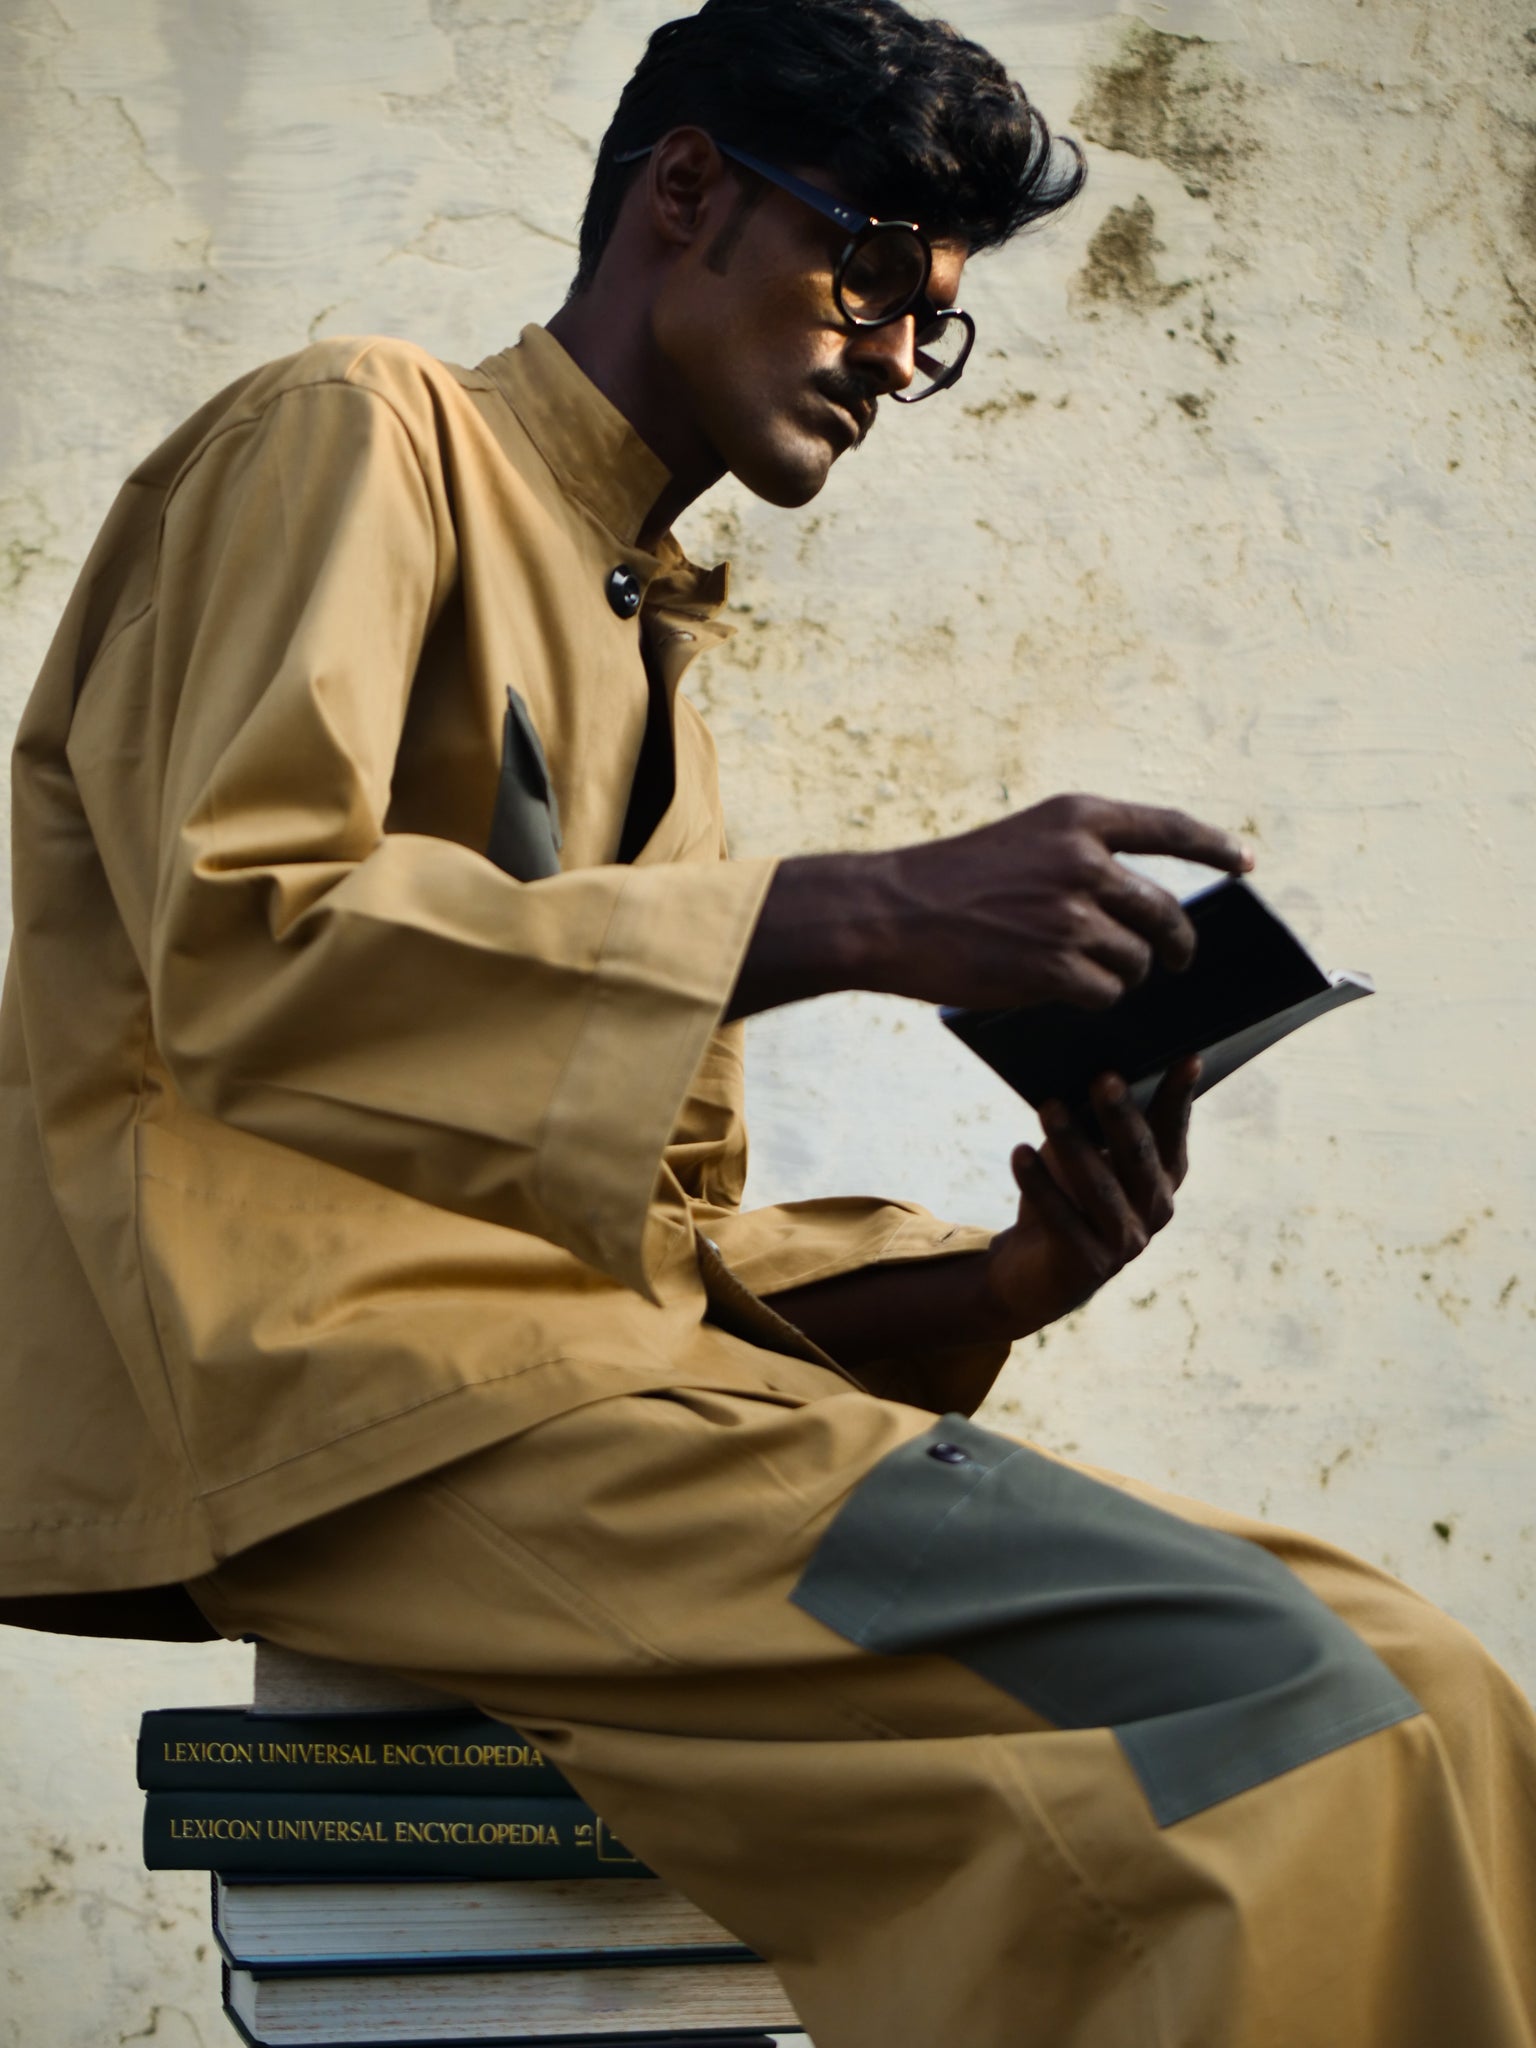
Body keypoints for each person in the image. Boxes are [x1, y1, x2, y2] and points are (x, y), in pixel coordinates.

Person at [2, 1, 1533, 2041]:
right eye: (874, 271)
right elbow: (246, 943)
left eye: (940, 324)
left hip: (587, 1402)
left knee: (1438, 1685)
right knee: (1289, 1715)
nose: (900, 354)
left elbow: (651, 1251)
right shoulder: (358, 430)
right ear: (688, 191)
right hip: (365, 1414)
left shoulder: (650, 660)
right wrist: (867, 909)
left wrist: (999, 1279)